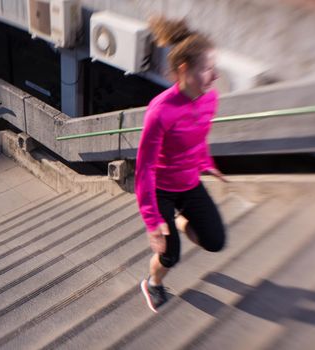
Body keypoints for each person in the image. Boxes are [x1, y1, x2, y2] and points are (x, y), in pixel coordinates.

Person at [135, 16, 227, 313]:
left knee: (214, 241)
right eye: (208, 69)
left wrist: (206, 162)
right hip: (161, 188)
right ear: (185, 70)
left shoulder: (209, 99)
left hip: (189, 182)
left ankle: (181, 220)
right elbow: (144, 169)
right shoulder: (159, 112)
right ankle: (152, 283)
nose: (215, 76)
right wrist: (152, 221)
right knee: (169, 254)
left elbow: (199, 137)